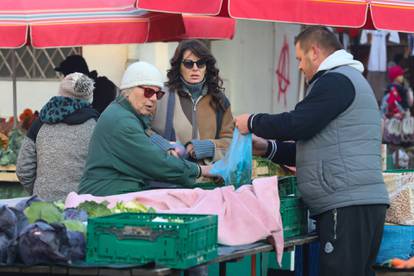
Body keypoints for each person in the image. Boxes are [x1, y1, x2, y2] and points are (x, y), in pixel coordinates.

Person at [235, 26, 389, 276]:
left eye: (299, 58)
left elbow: (298, 123)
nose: (298, 66)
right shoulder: (347, 80)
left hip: (347, 205)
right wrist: (268, 148)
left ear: (314, 52)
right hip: (358, 204)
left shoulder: (336, 81)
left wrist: (252, 121)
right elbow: (314, 146)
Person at [78, 61, 212, 196]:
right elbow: (159, 164)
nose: (154, 98)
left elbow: (146, 135)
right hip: (105, 199)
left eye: (158, 94)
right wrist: (201, 171)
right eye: (148, 91)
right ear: (129, 90)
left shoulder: (125, 112)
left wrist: (166, 145)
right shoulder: (122, 121)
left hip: (112, 193)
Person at [16, 73, 98, 201]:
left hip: (42, 208)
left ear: (60, 92)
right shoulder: (96, 125)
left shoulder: (40, 122)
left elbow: (23, 169)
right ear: (89, 96)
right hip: (80, 206)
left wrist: (41, 191)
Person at [151, 39, 234, 166]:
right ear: (179, 66)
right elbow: (141, 130)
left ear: (206, 67)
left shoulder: (220, 100)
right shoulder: (160, 96)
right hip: (169, 177)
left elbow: (231, 142)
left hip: (207, 179)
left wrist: (206, 147)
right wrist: (164, 145)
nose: (195, 68)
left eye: (200, 63)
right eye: (188, 64)